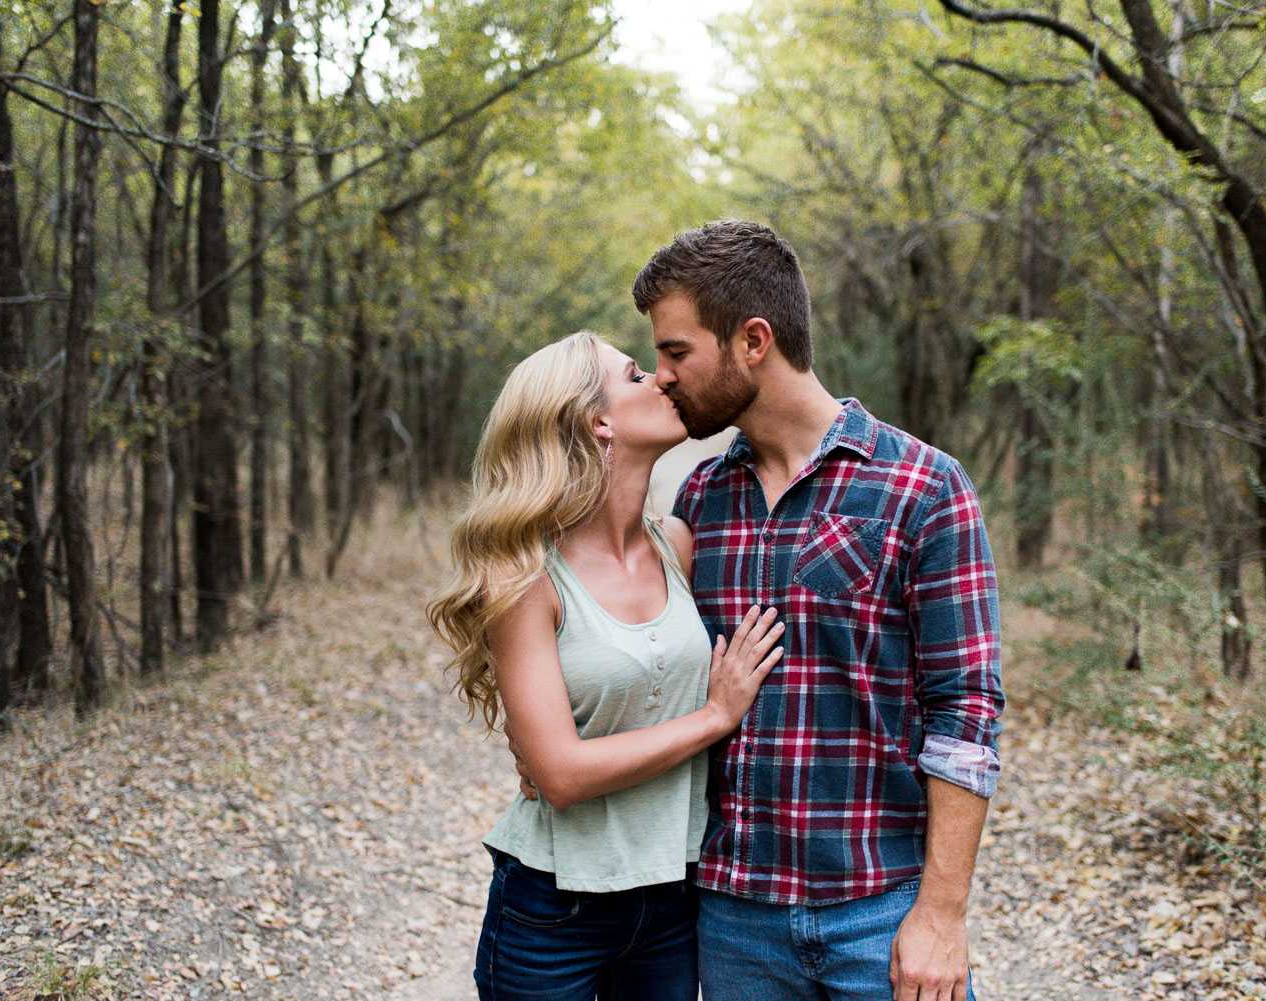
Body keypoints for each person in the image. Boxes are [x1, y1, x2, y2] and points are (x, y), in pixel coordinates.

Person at [629, 219, 1005, 1001]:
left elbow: (966, 711)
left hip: (884, 910)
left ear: (753, 340)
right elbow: (640, 648)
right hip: (734, 921)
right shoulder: (702, 497)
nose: (663, 376)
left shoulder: (922, 487)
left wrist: (941, 913)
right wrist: (550, 738)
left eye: (676, 351)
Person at [427, 330, 786, 1001]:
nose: (662, 379)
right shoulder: (526, 580)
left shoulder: (678, 544)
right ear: (598, 422)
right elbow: (559, 775)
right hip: (553, 909)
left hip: (671, 902)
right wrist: (714, 716)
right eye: (633, 375)